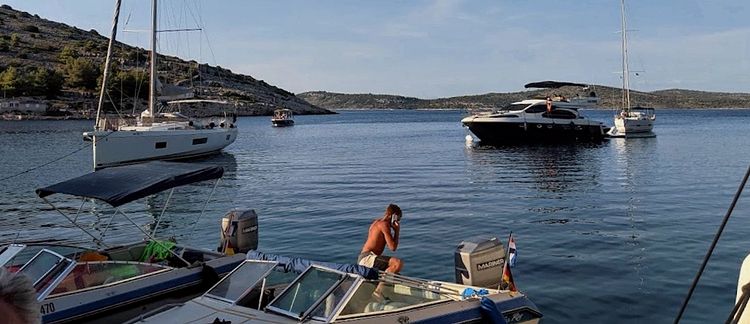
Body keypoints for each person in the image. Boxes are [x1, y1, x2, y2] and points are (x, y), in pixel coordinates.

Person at [358, 204, 403, 274]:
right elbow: (392, 247)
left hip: (365, 258)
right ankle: (382, 285)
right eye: (398, 219)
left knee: (395, 273)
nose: (398, 221)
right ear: (394, 216)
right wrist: (397, 231)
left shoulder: (377, 222)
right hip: (367, 258)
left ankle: (382, 282)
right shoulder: (384, 225)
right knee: (397, 263)